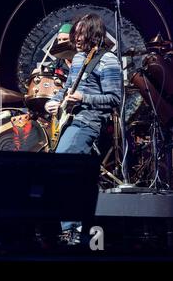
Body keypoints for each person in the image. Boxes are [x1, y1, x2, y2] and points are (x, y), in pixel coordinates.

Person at [45, 13, 122, 238]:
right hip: (71, 120)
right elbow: (68, 87)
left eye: (81, 32)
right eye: (75, 33)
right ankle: (73, 226)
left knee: (64, 167)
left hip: (88, 122)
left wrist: (84, 98)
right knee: (68, 172)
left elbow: (114, 99)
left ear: (93, 32)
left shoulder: (108, 60)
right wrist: (55, 100)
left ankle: (72, 228)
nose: (77, 37)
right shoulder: (78, 58)